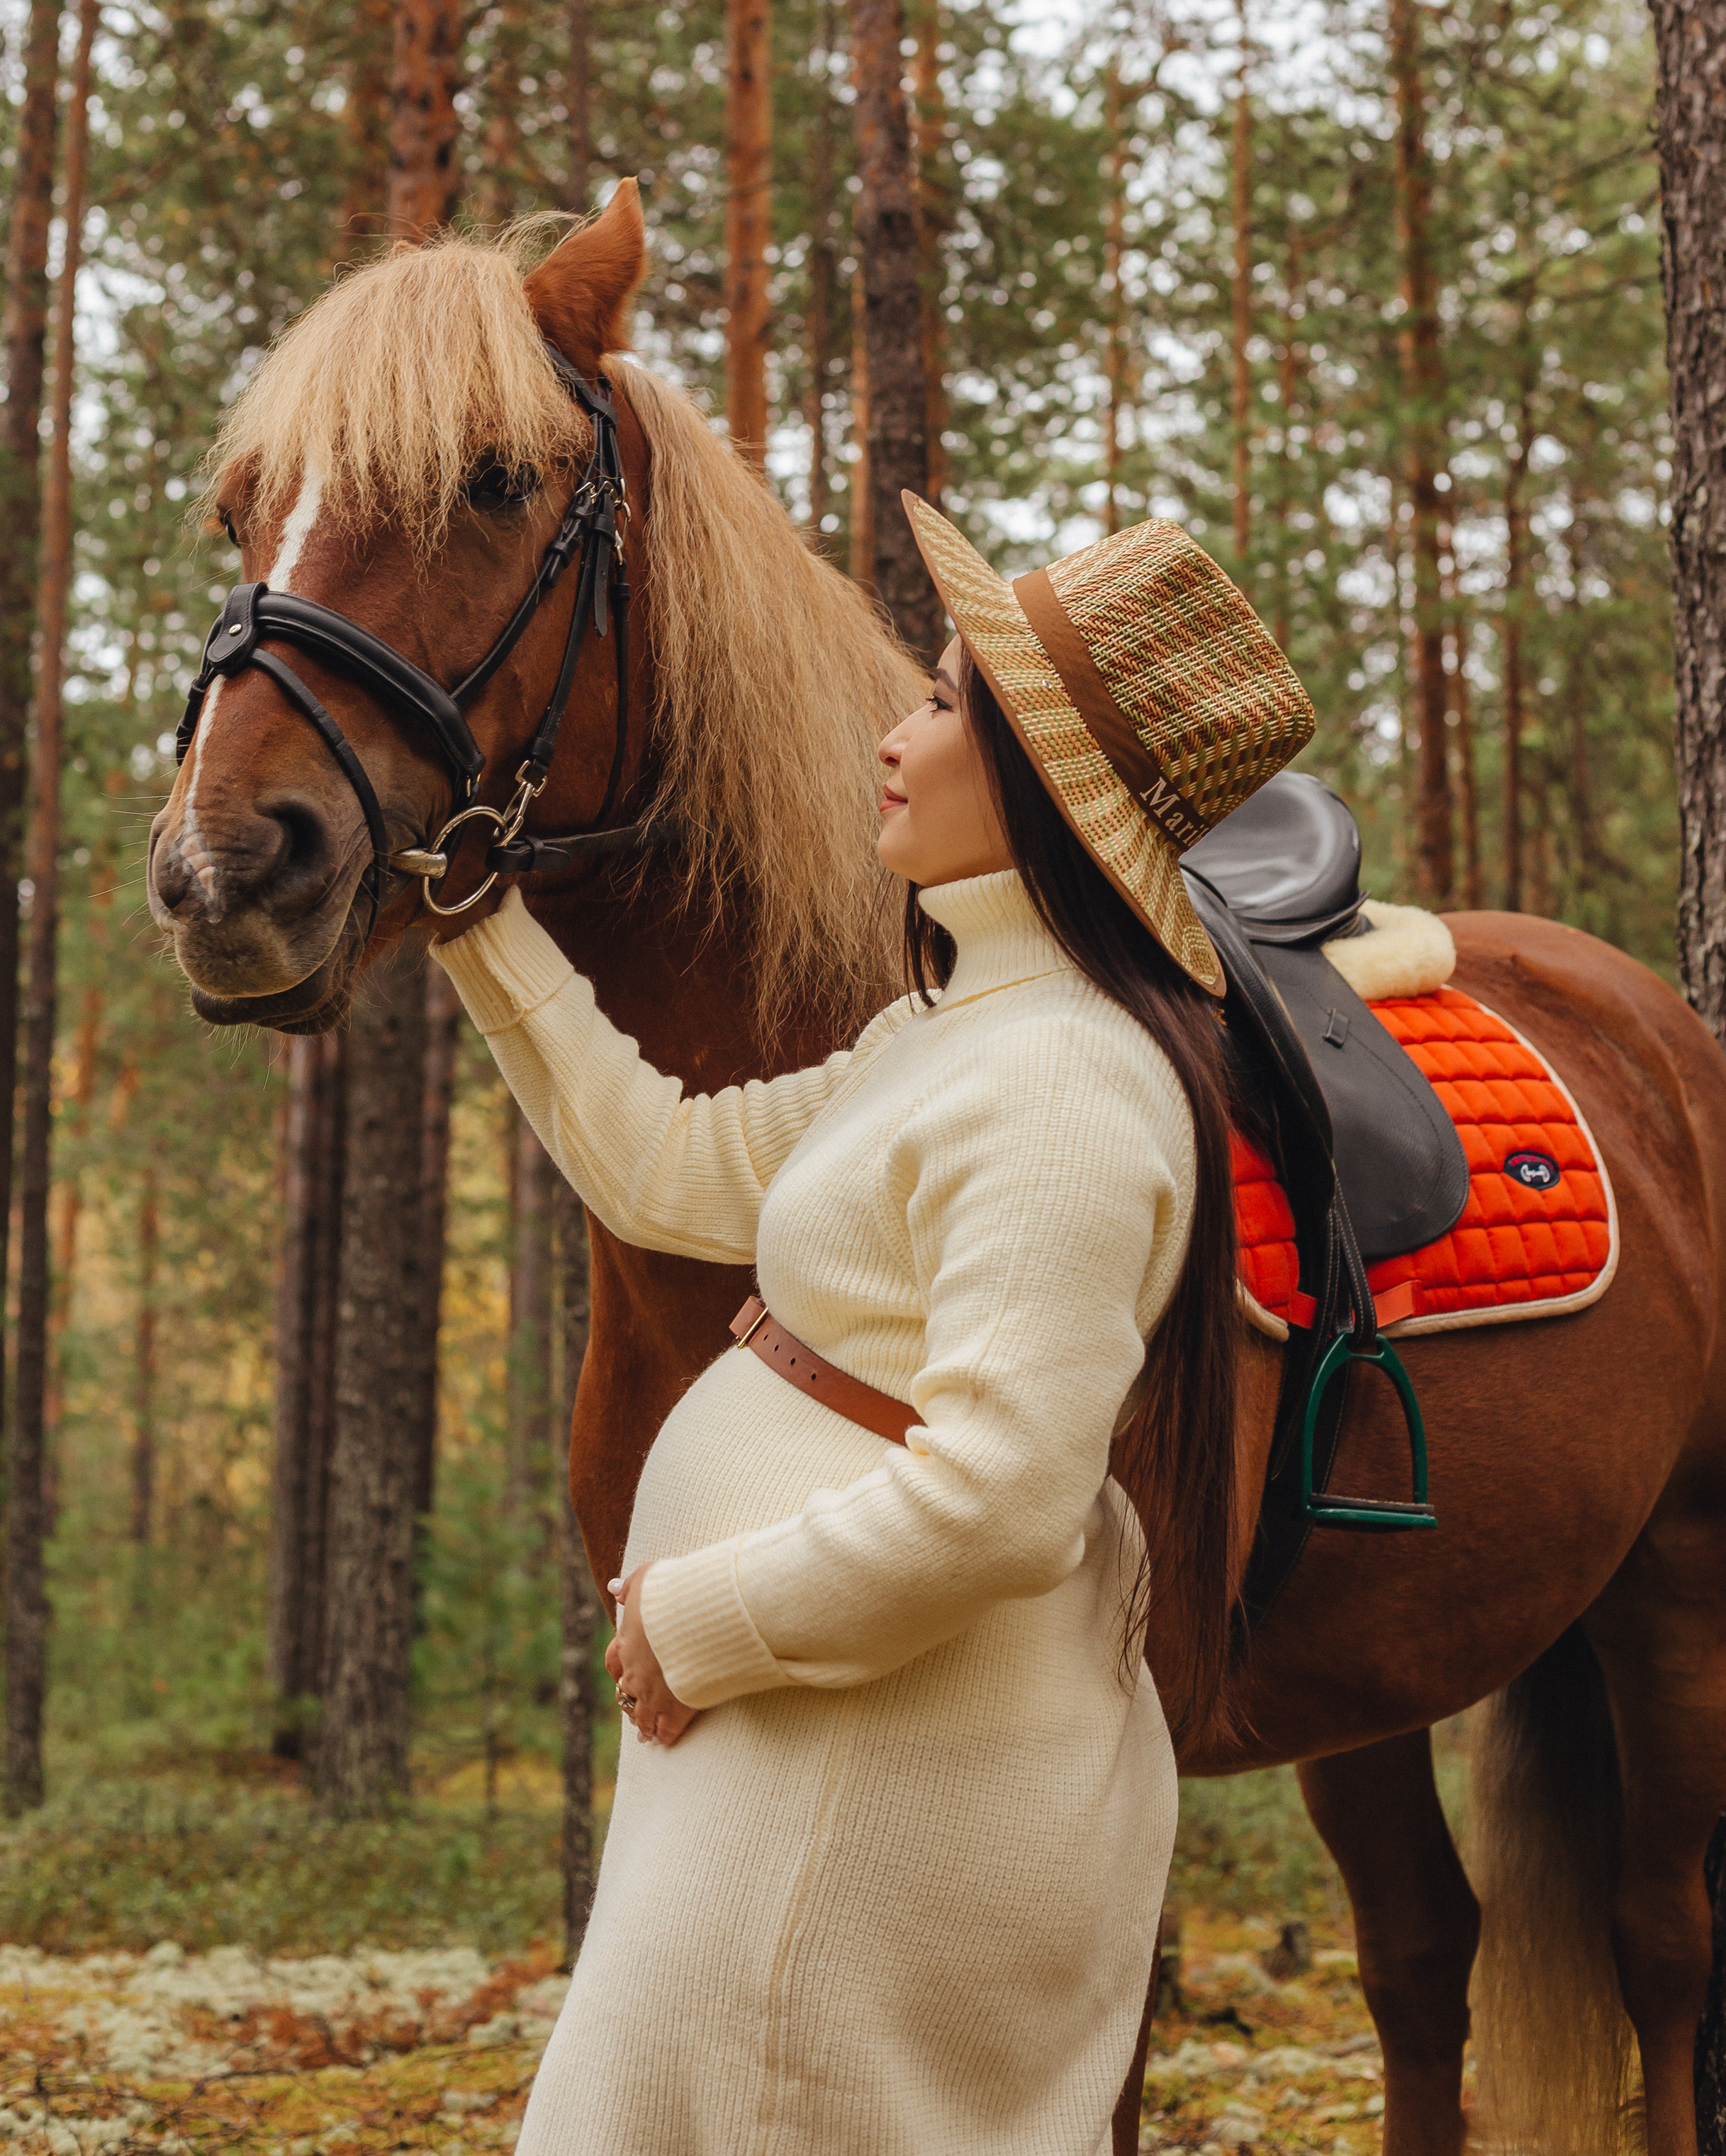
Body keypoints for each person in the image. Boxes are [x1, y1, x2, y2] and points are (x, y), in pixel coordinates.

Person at [432, 492, 1314, 2156]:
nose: (893, 731)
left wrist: (699, 1620)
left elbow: (1001, 1498)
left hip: (870, 1780)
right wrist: (476, 919)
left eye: (941, 701)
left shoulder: (1058, 1081)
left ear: (1049, 781)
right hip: (818, 1751)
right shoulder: (948, 1031)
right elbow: (664, 1166)